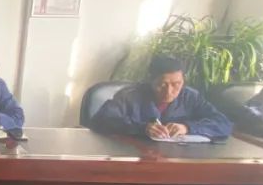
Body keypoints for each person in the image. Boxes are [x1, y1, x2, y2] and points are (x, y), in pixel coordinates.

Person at [90, 55, 232, 139]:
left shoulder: (190, 97)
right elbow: (101, 120)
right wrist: (142, 128)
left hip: (176, 161)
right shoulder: (130, 96)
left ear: (183, 80)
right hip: (135, 159)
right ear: (150, 80)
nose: (169, 91)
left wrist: (187, 127)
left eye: (176, 84)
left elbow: (224, 124)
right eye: (162, 85)